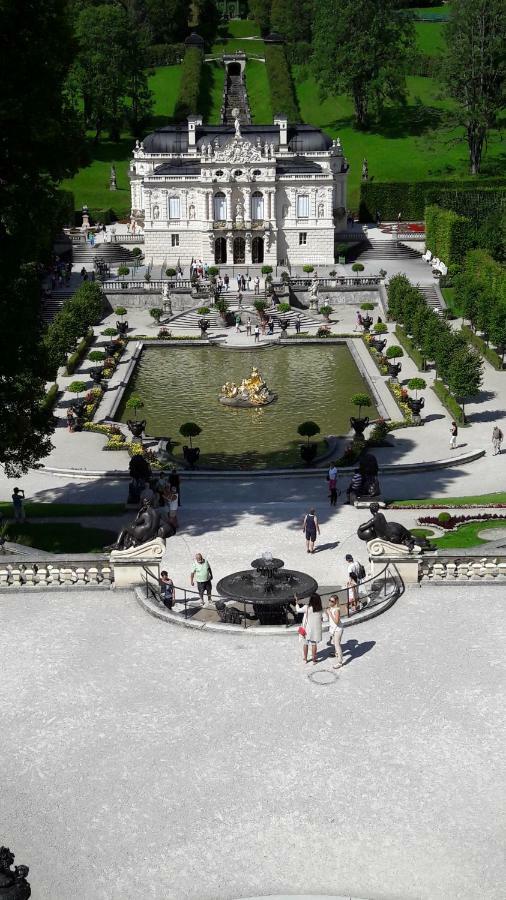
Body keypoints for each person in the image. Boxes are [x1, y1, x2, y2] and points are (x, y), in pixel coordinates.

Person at [299, 593, 323, 665]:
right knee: (314, 644)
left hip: (306, 629)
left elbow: (298, 610)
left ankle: (305, 659)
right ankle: (314, 660)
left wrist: (297, 603)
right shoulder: (320, 609)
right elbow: (325, 618)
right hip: (315, 631)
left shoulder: (307, 607)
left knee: (305, 644)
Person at [327, 596, 344, 668]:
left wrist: (330, 613)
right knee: (335, 642)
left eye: (332, 601)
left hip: (337, 630)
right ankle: (336, 653)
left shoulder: (336, 610)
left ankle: (340, 662)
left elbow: (336, 622)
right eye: (329, 600)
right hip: (334, 629)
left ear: (336, 602)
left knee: (337, 645)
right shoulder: (332, 608)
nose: (330, 602)